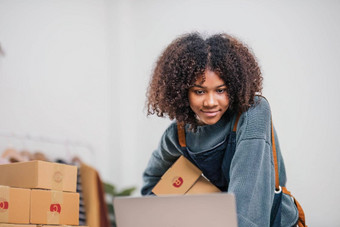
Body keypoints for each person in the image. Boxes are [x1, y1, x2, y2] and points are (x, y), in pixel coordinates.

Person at [141, 33, 299, 227]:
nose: (210, 102)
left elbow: (249, 207)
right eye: (199, 91)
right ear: (182, 92)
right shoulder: (177, 134)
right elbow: (152, 186)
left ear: (234, 87)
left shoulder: (253, 113)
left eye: (221, 90)